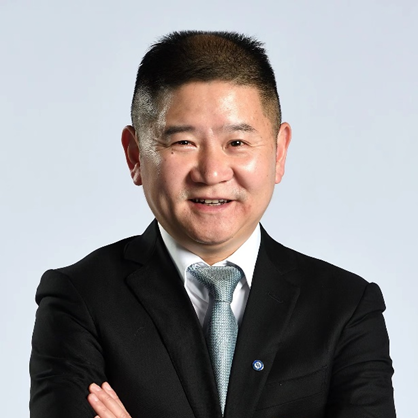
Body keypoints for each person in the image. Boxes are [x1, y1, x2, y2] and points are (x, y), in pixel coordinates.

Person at [30, 31, 396, 418]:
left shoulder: (345, 308)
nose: (212, 172)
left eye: (237, 142)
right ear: (135, 154)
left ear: (279, 151)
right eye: (183, 142)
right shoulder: (79, 300)